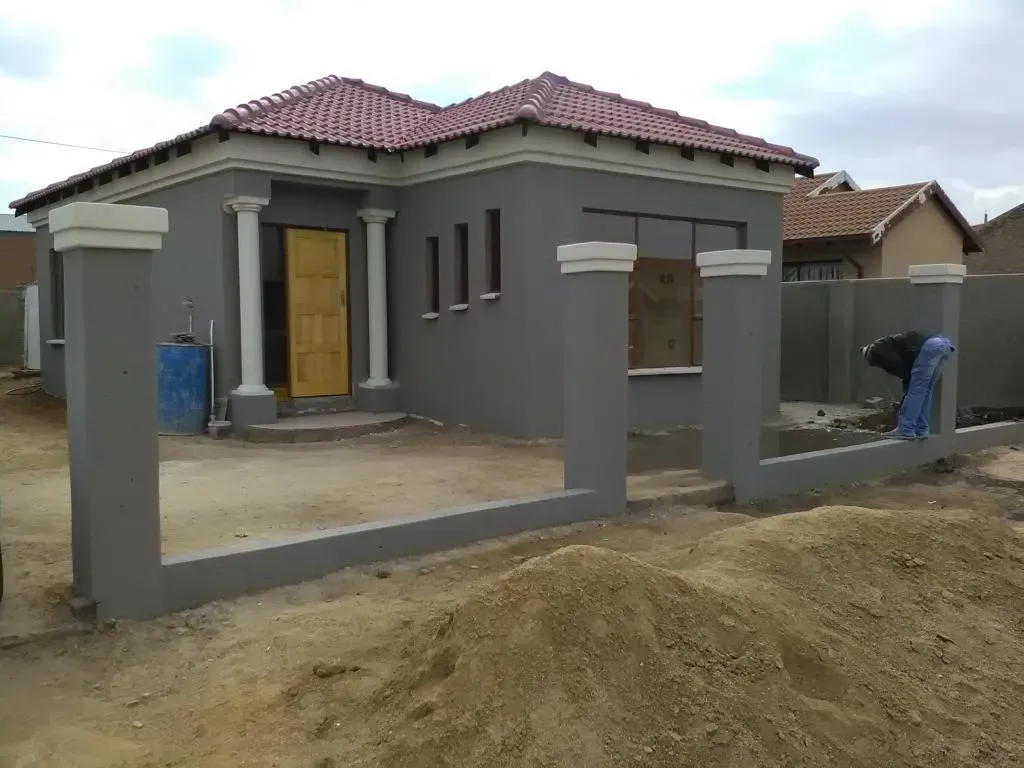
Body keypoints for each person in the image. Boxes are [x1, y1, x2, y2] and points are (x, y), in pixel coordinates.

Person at [860, 330, 956, 440]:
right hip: (943, 345)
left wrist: (907, 382)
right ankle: (921, 429)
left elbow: (898, 365)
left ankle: (906, 429)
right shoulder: (892, 344)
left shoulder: (877, 349)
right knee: (926, 390)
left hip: (930, 347)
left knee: (915, 390)